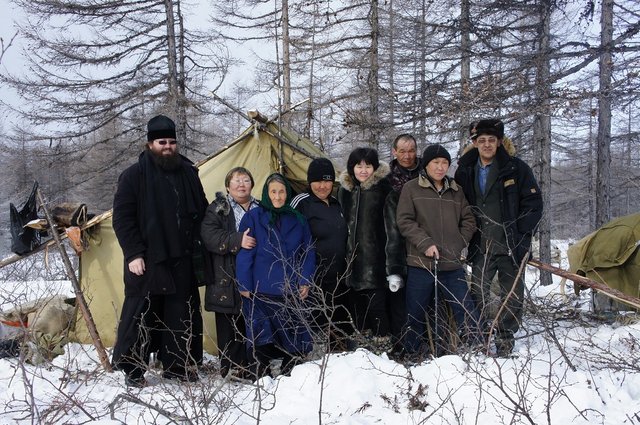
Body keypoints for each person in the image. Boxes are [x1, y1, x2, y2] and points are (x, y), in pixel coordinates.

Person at [112, 115, 208, 387]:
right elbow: (122, 218)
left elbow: (201, 210)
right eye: (161, 142)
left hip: (182, 257)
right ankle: (134, 370)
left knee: (180, 313)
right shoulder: (133, 176)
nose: (167, 147)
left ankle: (176, 366)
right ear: (150, 144)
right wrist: (133, 254)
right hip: (148, 259)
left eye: (171, 142)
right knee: (142, 314)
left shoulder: (188, 172)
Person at [454, 119, 543, 356]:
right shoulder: (465, 170)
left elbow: (533, 204)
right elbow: (458, 205)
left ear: (500, 142)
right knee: (478, 293)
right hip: (480, 245)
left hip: (510, 245)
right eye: (481, 140)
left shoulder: (516, 168)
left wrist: (522, 235)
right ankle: (480, 335)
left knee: (512, 296)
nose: (487, 144)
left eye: (491, 140)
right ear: (474, 143)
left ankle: (504, 339)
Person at [397, 144, 480, 358]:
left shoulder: (456, 190)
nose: (440, 167)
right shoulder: (412, 188)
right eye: (436, 162)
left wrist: (458, 243)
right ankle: (413, 352)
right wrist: (425, 243)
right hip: (421, 263)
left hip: (452, 265)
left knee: (465, 308)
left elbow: (469, 220)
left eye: (445, 163)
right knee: (415, 312)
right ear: (426, 165)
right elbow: (405, 221)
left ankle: (477, 350)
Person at [236, 173, 316, 377]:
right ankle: (261, 378)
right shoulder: (253, 217)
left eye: (281, 192)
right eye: (273, 192)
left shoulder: (298, 219)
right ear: (266, 193)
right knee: (260, 338)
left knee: (293, 337)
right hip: (260, 289)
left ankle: (290, 376)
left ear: (287, 193)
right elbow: (245, 253)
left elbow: (308, 252)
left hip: (290, 289)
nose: (278, 197)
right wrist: (244, 284)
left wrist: (305, 280)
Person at [200, 167, 259, 379]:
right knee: (229, 327)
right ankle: (232, 370)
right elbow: (209, 236)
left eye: (246, 180)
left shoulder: (260, 207)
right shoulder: (218, 208)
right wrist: (238, 239)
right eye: (236, 181)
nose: (241, 184)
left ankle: (254, 367)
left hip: (254, 276)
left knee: (253, 324)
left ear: (252, 184)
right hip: (225, 277)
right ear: (227, 186)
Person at [291, 158, 352, 351]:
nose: (322, 186)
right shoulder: (301, 202)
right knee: (314, 324)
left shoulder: (336, 203)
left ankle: (338, 357)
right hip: (313, 278)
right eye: (317, 181)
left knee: (338, 324)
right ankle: (310, 359)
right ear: (310, 181)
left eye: (327, 181)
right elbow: (289, 238)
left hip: (339, 276)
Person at [338, 147, 393, 347]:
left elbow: (393, 229)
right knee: (357, 310)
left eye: (368, 166)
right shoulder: (345, 191)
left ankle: (383, 347)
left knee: (377, 308)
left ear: (375, 168)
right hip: (351, 265)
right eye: (358, 166)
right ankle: (361, 350)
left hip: (376, 263)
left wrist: (392, 265)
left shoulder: (384, 190)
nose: (363, 170)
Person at [384, 134, 421, 356]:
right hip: (394, 247)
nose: (407, 156)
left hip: (422, 246)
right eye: (402, 151)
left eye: (411, 150)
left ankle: (420, 345)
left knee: (420, 300)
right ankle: (399, 345)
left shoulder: (426, 174)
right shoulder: (387, 181)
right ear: (394, 152)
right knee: (396, 301)